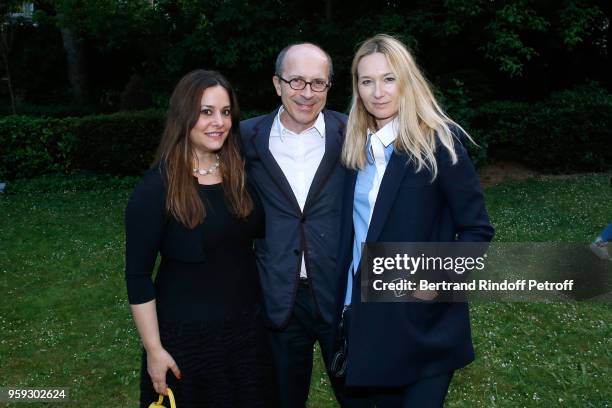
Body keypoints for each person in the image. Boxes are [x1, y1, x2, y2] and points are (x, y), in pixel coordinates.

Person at [335, 34, 495, 407]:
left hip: (424, 329)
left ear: (407, 80)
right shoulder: (354, 147)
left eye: (389, 79)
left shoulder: (439, 141)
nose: (378, 92)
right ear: (356, 87)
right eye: (366, 81)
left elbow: (477, 228)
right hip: (364, 323)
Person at [125, 69, 271, 407]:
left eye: (224, 112)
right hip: (188, 343)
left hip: (247, 335)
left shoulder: (240, 174)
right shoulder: (155, 189)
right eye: (206, 112)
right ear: (183, 115)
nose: (218, 122)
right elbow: (138, 276)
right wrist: (154, 350)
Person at [240, 43, 349, 407]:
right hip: (279, 298)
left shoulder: (352, 134)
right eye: (296, 81)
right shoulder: (244, 138)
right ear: (277, 83)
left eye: (318, 83)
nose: (306, 93)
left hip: (341, 296)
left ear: (329, 87)